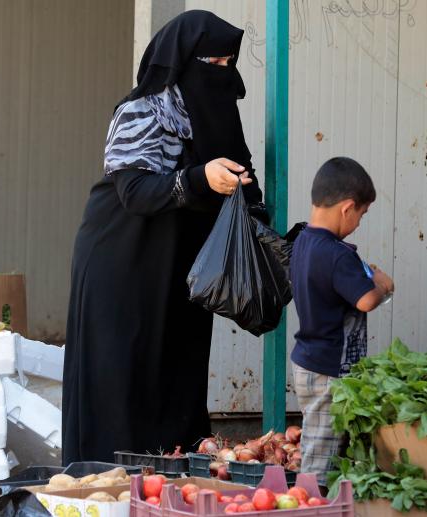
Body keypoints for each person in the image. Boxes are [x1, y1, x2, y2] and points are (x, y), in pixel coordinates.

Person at [62, 10, 265, 464]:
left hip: (181, 271)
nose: (220, 74)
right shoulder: (142, 110)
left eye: (226, 64)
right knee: (123, 374)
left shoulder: (216, 116)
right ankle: (110, 483)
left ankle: (169, 487)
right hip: (123, 261)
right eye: (211, 63)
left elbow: (241, 185)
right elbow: (134, 190)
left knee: (178, 372)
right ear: (183, 60)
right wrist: (197, 180)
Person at [289, 157, 394, 483]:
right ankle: (312, 505)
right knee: (320, 461)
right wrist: (382, 286)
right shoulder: (336, 254)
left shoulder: (303, 241)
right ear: (347, 208)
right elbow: (365, 300)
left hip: (310, 361)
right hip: (328, 370)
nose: (360, 222)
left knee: (324, 443)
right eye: (361, 214)